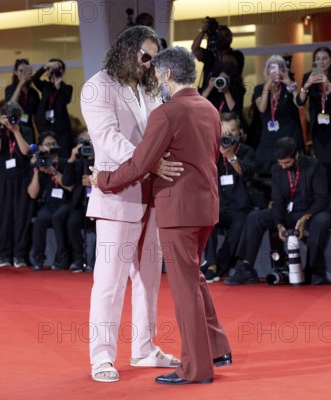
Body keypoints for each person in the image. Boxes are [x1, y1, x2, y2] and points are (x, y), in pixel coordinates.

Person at [91, 46, 232, 385]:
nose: (156, 81)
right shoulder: (210, 109)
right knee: (194, 279)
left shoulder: (166, 114)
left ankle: (195, 368)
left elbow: (140, 164)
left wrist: (103, 180)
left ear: (168, 75)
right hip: (206, 208)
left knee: (185, 289)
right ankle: (217, 348)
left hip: (177, 211)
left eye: (157, 75)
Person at [80, 26, 181, 383]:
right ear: (126, 49)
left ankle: (143, 349)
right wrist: (149, 161)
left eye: (154, 58)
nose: (148, 63)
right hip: (117, 196)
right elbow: (108, 139)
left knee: (149, 279)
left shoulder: (152, 88)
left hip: (151, 194)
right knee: (109, 281)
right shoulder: (98, 86)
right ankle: (101, 357)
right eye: (144, 55)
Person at [224, 137, 331, 286]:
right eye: (280, 162)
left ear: (296, 155)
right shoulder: (277, 169)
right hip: (289, 212)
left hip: (311, 211)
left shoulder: (314, 166)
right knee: (255, 217)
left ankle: (314, 270)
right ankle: (246, 267)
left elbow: (322, 198)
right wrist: (279, 224)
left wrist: (306, 217)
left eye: (287, 162)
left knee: (322, 220)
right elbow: (278, 201)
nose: (283, 166)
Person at [202, 113, 255, 283]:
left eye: (232, 131)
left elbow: (246, 175)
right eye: (224, 131)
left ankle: (220, 265)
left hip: (239, 206)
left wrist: (231, 155)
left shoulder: (246, 151)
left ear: (239, 131)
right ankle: (211, 264)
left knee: (239, 226)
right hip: (218, 203)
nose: (228, 135)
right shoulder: (211, 150)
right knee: (207, 220)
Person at [295, 47, 331, 199]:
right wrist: (306, 85)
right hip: (319, 130)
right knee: (322, 168)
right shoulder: (308, 76)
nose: (321, 62)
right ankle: (329, 202)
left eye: (324, 58)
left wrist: (328, 83)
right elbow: (300, 101)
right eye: (317, 59)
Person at [0, 101, 34, 268]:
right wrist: (0, 129)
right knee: (4, 217)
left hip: (21, 178)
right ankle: (4, 255)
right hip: (3, 180)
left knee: (21, 217)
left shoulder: (27, 130)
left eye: (14, 117)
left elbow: (25, 151)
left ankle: (20, 256)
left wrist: (16, 131)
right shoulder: (1, 132)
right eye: (9, 117)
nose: (12, 121)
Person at [28, 132, 72, 271]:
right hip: (48, 204)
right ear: (40, 147)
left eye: (54, 144)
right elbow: (32, 194)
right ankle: (38, 259)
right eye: (48, 144)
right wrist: (36, 172)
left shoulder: (65, 163)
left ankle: (62, 259)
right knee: (40, 219)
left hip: (65, 203)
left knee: (57, 217)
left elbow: (70, 187)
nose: (51, 147)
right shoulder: (39, 164)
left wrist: (53, 172)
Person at [253, 55, 303, 175]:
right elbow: (262, 107)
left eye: (279, 67)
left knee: (290, 169)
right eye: (272, 68)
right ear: (267, 71)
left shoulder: (289, 86)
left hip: (289, 135)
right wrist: (268, 84)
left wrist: (289, 82)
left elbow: (300, 104)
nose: (275, 71)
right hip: (269, 137)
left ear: (284, 70)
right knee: (262, 165)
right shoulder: (260, 88)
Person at [62, 131, 96, 273]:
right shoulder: (77, 162)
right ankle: (78, 258)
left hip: (98, 205)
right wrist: (71, 158)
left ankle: (94, 261)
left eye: (90, 142)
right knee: (72, 222)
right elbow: (66, 182)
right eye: (84, 142)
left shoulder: (102, 160)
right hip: (80, 205)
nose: (87, 146)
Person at [33, 59, 73, 158]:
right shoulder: (45, 86)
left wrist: (58, 86)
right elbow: (34, 79)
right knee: (46, 150)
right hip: (45, 123)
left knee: (63, 152)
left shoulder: (67, 88)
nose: (55, 71)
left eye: (58, 68)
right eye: (52, 68)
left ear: (62, 71)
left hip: (60, 125)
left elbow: (65, 100)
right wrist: (45, 67)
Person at [192, 19, 244, 90]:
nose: (222, 37)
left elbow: (230, 61)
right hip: (209, 93)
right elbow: (195, 49)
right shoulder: (210, 54)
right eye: (219, 34)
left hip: (228, 92)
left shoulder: (237, 55)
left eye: (226, 35)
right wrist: (203, 32)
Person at [4, 58, 40, 137]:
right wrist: (20, 85)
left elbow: (37, 116)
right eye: (21, 71)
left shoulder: (33, 93)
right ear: (15, 72)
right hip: (13, 128)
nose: (23, 73)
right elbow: (10, 107)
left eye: (25, 71)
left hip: (28, 129)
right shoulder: (10, 89)